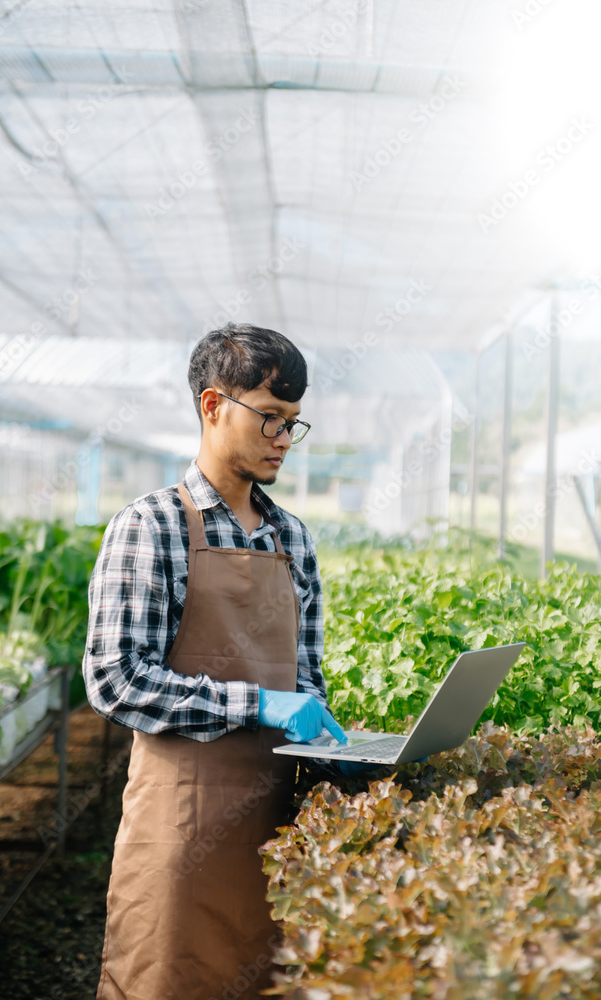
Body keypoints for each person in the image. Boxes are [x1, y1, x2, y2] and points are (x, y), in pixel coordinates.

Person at [83, 322, 374, 1000]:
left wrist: (351, 753)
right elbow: (115, 680)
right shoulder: (151, 526)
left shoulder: (291, 538)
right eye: (269, 419)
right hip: (179, 830)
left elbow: (305, 681)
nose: (282, 442)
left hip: (271, 830)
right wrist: (259, 704)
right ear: (214, 406)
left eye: (293, 425)